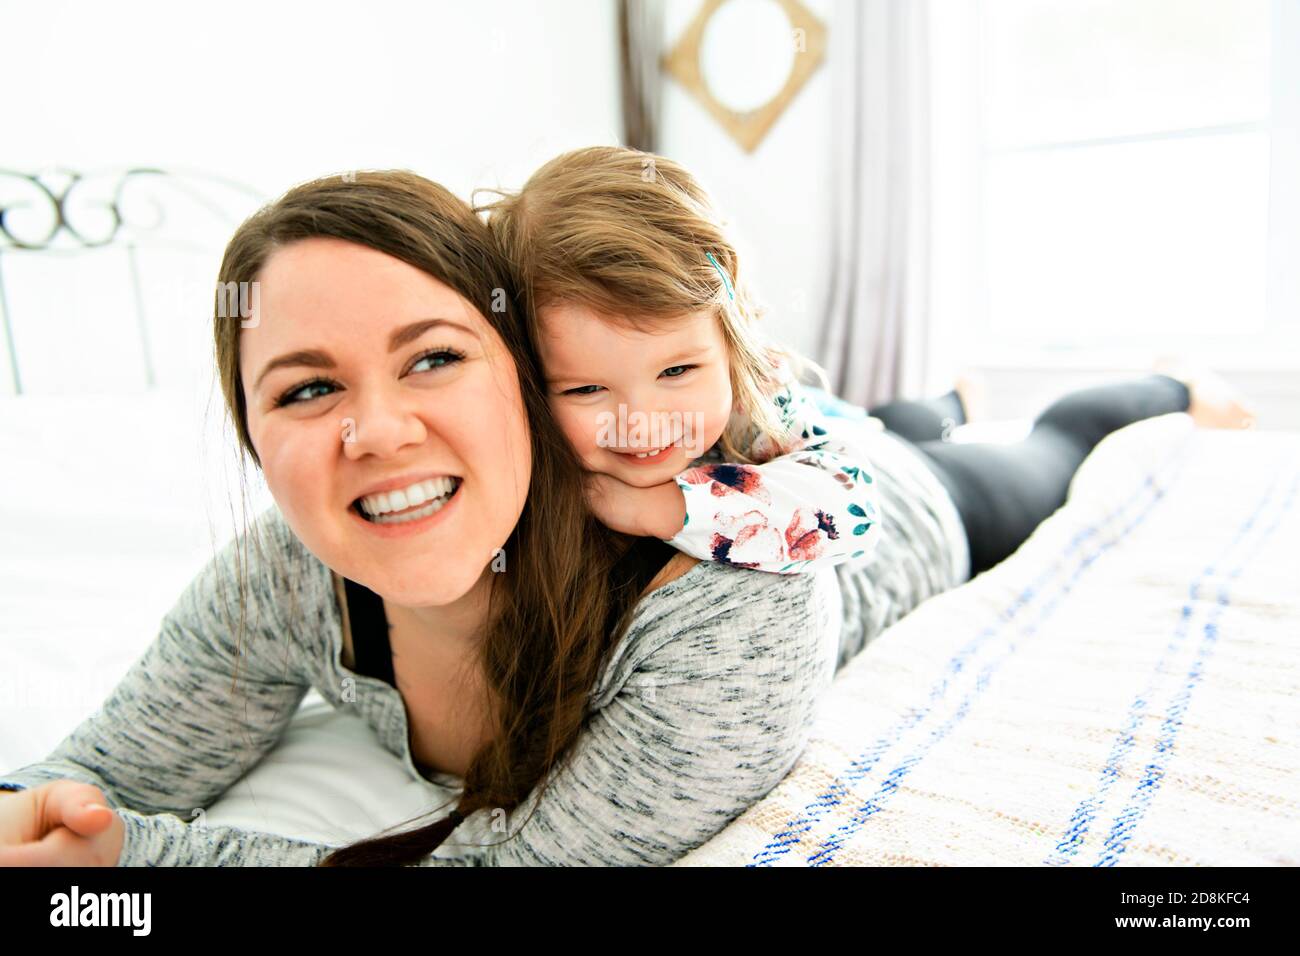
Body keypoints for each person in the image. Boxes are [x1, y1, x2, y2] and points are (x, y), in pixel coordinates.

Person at [0, 166, 1250, 867]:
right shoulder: (283, 573)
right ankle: (910, 400)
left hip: (887, 518)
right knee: (825, 408)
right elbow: (86, 781)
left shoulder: (733, 602)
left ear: (505, 373)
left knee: (1027, 455)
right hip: (737, 438)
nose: (372, 432)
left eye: (431, 357)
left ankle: (1102, 393)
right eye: (309, 384)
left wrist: (139, 872)